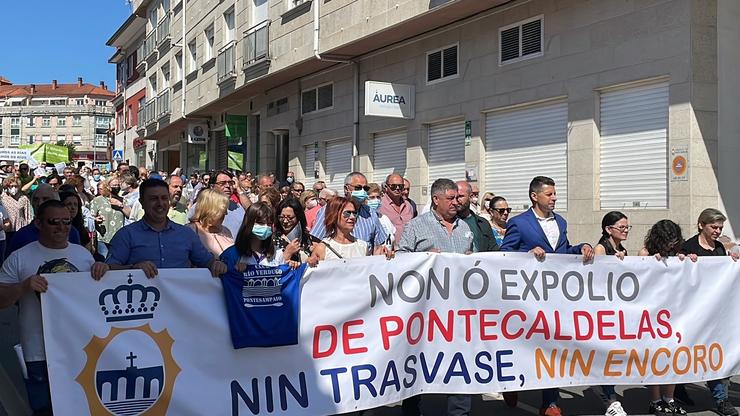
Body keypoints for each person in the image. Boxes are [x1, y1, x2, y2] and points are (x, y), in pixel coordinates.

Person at [0, 200, 109, 415]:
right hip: (38, 350)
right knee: (44, 409)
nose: (62, 227)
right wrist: (24, 286)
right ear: (38, 224)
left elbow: (96, 298)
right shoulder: (20, 258)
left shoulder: (83, 255)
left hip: (81, 347)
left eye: (67, 222)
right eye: (54, 222)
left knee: (81, 406)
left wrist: (103, 269)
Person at [500, 176, 594, 416]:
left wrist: (580, 248)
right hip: (526, 296)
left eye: (555, 194)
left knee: (552, 346)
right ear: (535, 196)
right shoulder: (519, 223)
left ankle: (550, 401)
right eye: (549, 194)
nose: (554, 198)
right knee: (523, 343)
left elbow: (562, 251)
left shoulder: (560, 221)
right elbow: (503, 254)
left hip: (553, 296)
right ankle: (511, 383)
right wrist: (528, 255)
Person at [397, 178, 473, 416]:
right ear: (435, 199)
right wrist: (424, 258)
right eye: (450, 198)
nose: (456, 203)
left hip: (460, 309)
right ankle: (411, 408)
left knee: (461, 360)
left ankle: (459, 412)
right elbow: (400, 258)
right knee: (418, 361)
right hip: (426, 309)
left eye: (457, 198)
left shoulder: (465, 227)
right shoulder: (416, 226)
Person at [678, 209, 738, 416]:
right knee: (688, 354)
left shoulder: (720, 248)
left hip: (716, 313)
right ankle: (678, 387)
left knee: (716, 356)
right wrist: (684, 260)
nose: (717, 231)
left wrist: (731, 260)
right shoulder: (688, 247)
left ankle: (721, 399)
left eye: (720, 228)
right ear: (701, 225)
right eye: (714, 227)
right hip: (693, 313)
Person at [107, 179, 227, 278]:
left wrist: (216, 264)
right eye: (154, 199)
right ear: (141, 202)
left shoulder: (186, 234)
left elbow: (207, 261)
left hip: (179, 304)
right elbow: (109, 269)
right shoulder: (126, 235)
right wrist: (134, 268)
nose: (160, 203)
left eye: (164, 198)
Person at [638, 220, 695, 416]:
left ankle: (669, 397)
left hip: (674, 314)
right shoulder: (645, 253)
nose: (671, 244)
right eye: (668, 241)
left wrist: (688, 260)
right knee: (655, 356)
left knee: (673, 356)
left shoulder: (677, 255)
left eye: (674, 240)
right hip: (652, 315)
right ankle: (655, 399)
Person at [593, 211, 630, 416]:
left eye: (627, 227)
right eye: (621, 227)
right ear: (608, 229)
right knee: (607, 355)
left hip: (616, 309)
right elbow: (599, 279)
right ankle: (611, 400)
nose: (625, 231)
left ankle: (606, 391)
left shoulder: (621, 248)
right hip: (603, 310)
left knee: (613, 356)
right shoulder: (601, 248)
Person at [311, 172, 388, 255]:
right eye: (358, 188)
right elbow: (316, 243)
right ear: (346, 188)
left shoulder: (371, 213)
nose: (362, 191)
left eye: (365, 188)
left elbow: (378, 247)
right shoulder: (330, 209)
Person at [220, 202, 298, 272]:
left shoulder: (277, 253)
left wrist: (290, 265)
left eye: (269, 224)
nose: (266, 227)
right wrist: (234, 269)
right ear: (249, 223)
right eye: (260, 223)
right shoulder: (232, 254)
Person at [7, 184, 82, 256]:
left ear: (56, 201)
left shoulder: (71, 232)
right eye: (36, 199)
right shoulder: (21, 236)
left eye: (45, 199)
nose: (40, 203)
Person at [308, 197, 371, 262]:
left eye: (354, 213)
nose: (352, 217)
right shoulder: (323, 248)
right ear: (334, 215)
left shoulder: (362, 246)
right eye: (347, 213)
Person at [189, 171, 246, 239]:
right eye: (222, 183)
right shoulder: (200, 206)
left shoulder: (238, 207)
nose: (227, 186)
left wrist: (239, 190)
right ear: (212, 186)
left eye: (230, 183)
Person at [187, 188, 234, 257]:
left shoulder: (226, 231)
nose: (226, 213)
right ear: (210, 210)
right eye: (222, 211)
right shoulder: (190, 231)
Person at [456, 181, 498, 252]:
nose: (457, 200)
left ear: (470, 197)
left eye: (460, 196)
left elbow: (493, 250)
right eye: (453, 197)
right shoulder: (447, 222)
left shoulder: (482, 223)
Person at [90, 179, 126, 259]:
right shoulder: (98, 200)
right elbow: (90, 217)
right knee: (105, 260)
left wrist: (120, 205)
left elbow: (130, 215)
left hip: (119, 238)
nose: (116, 187)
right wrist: (96, 219)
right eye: (113, 185)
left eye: (118, 185)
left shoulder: (122, 200)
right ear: (107, 187)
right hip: (103, 238)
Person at [378, 174, 414, 244]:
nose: (397, 188)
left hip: (408, 249)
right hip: (388, 250)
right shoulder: (379, 205)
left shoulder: (408, 206)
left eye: (400, 186)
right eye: (393, 186)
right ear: (386, 186)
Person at [274, 197, 312, 262]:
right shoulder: (273, 240)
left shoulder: (307, 238)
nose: (285, 221)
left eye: (290, 218)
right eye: (282, 217)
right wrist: (287, 253)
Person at [1, 176, 33, 252]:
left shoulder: (23, 198)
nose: (13, 188)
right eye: (11, 186)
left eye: (15, 186)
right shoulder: (2, 198)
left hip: (20, 229)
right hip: (6, 230)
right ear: (7, 186)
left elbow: (28, 215)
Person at [367, 183, 396, 248]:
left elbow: (393, 238)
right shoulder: (363, 220)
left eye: (378, 197)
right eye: (372, 197)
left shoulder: (384, 218)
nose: (376, 200)